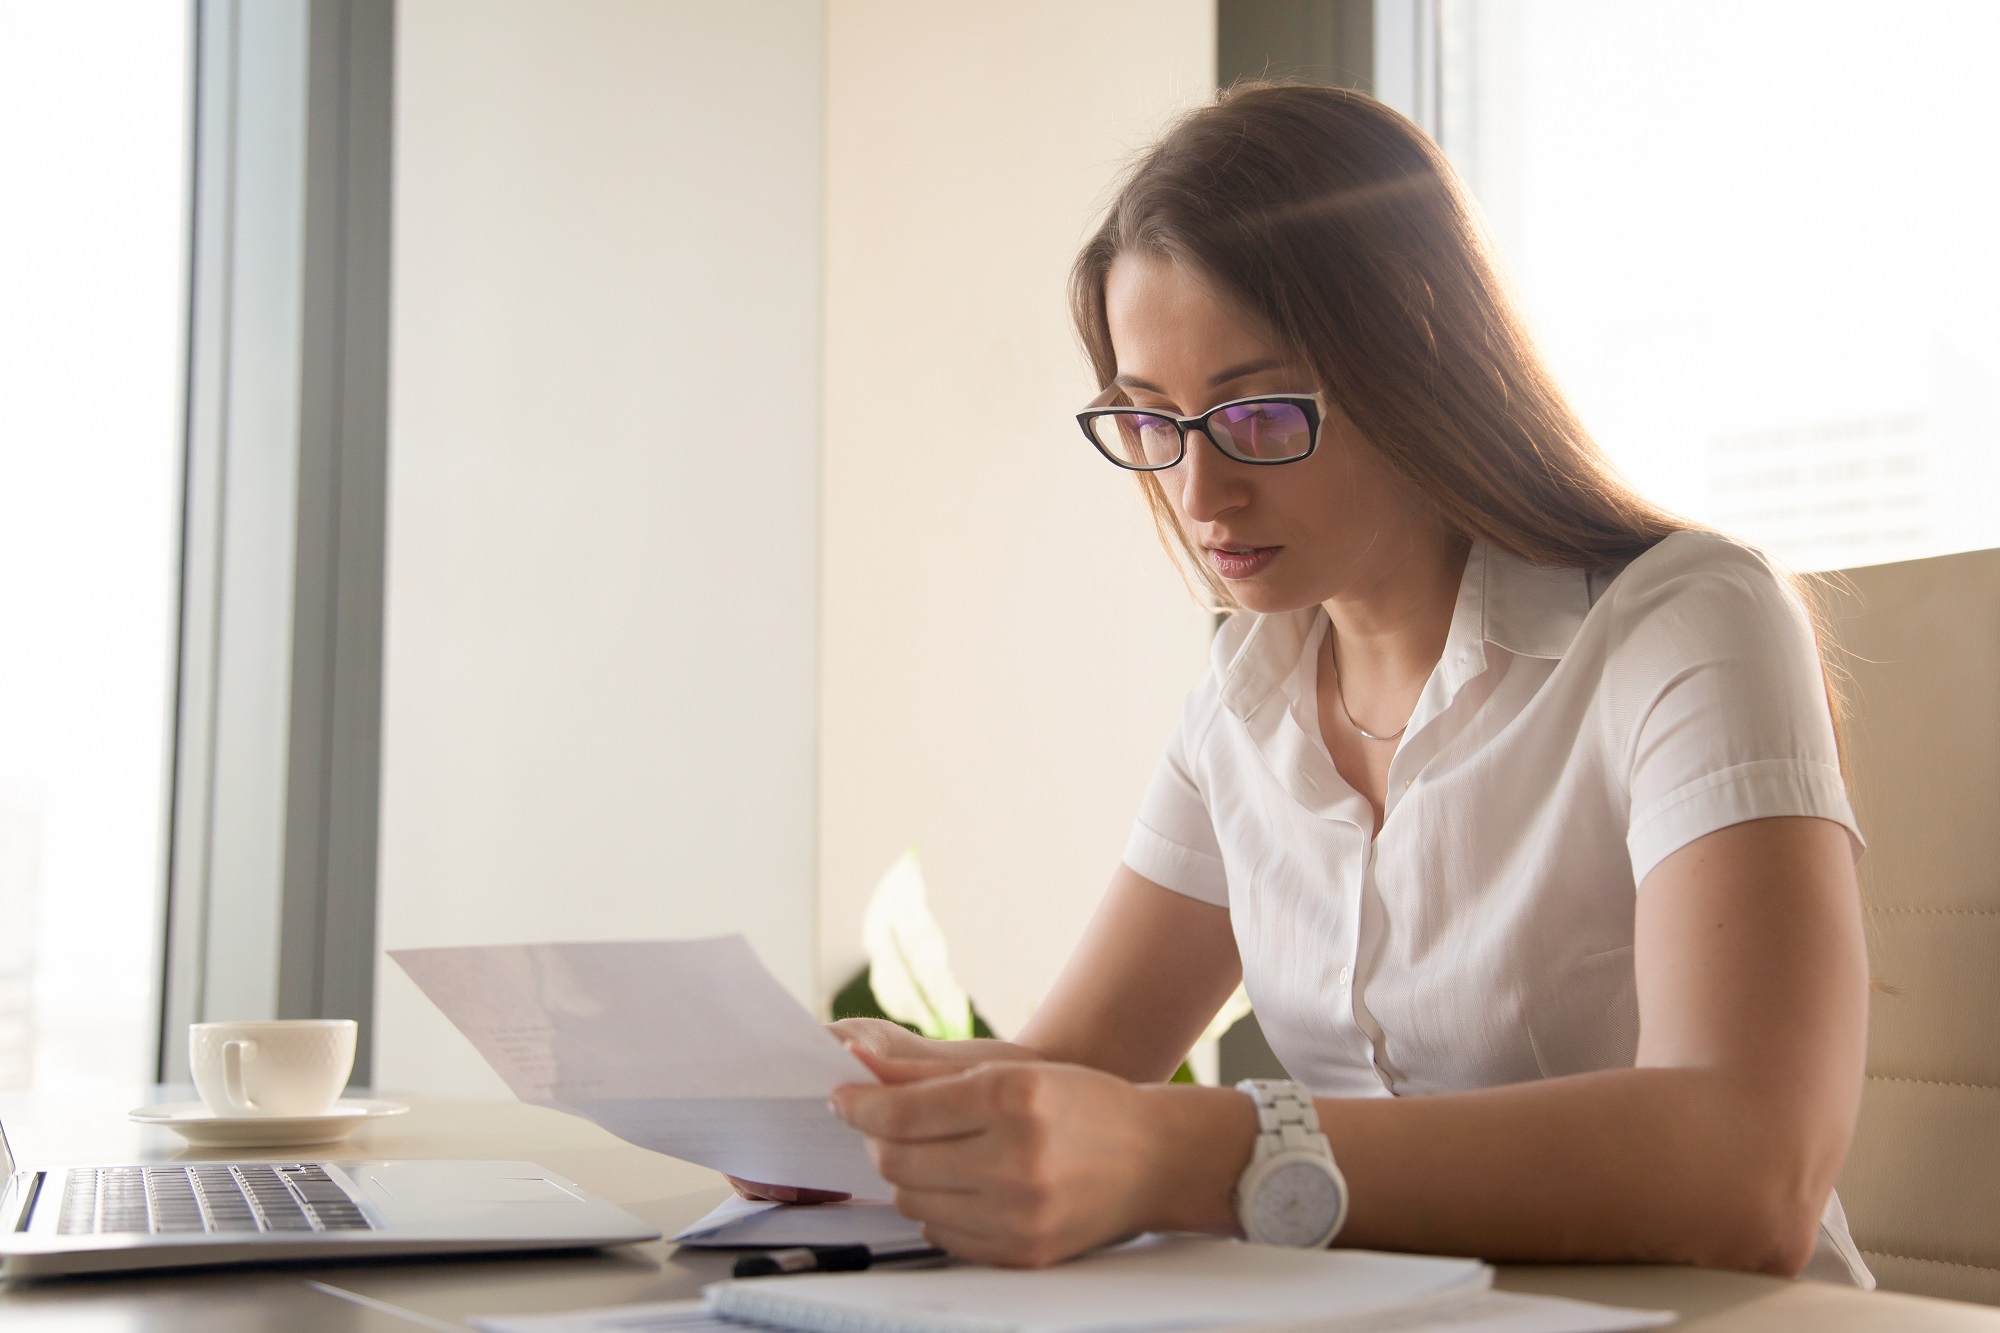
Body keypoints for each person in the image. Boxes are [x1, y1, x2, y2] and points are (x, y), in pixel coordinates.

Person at [740, 83, 1871, 1282]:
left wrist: (1202, 1147)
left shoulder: (1682, 621)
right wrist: (864, 1110)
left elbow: (1749, 1174)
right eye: (1152, 421)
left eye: (1261, 414)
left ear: (1419, 363)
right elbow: (1071, 1069)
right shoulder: (1250, 687)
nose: (1198, 496)